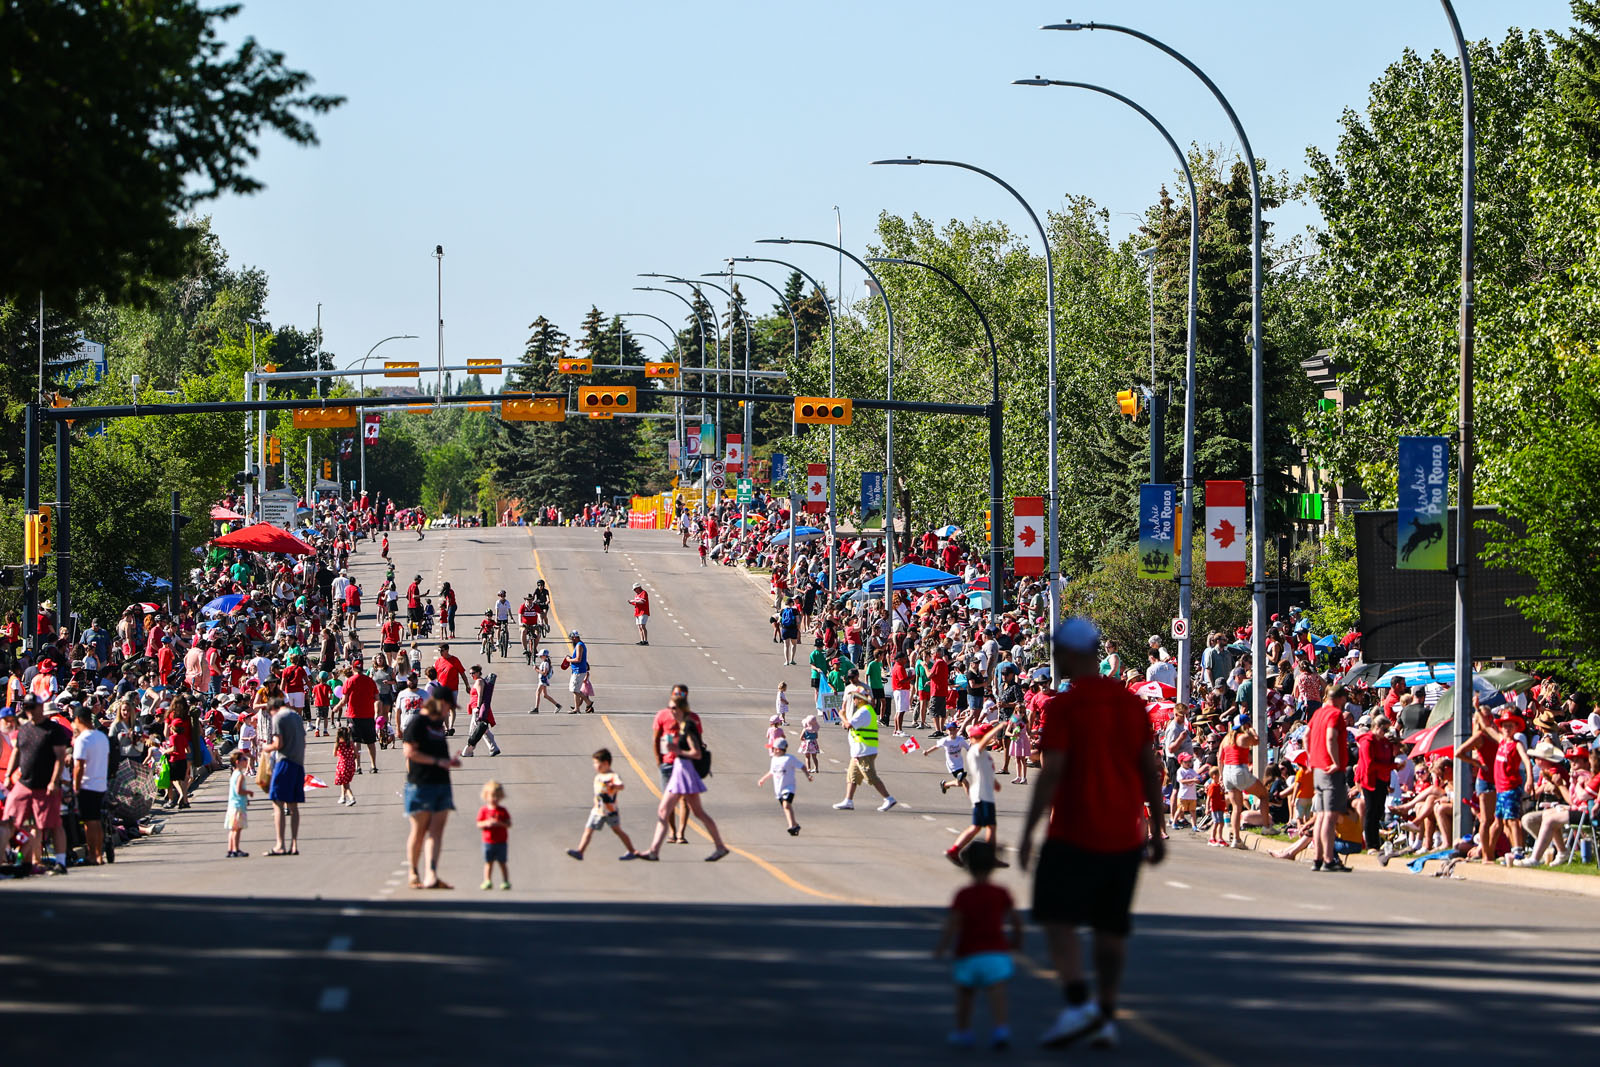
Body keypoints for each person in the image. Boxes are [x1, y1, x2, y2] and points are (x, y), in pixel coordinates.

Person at [1019, 617, 1164, 1050]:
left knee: (1056, 918)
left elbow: (1051, 773)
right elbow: (1149, 771)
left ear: (1072, 654)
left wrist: (1028, 832)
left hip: (1073, 831)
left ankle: (1078, 1000)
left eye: (1060, 650)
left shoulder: (1064, 707)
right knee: (1111, 930)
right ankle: (1104, 1012)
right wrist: (1156, 830)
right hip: (1124, 833)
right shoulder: (1131, 705)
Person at [934, 840, 1021, 1050]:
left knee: (965, 992)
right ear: (992, 866)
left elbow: (953, 924)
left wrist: (943, 947)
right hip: (996, 951)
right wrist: (1016, 942)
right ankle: (1001, 1029)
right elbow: (1016, 921)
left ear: (967, 867)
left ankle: (963, 1031)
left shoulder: (963, 895)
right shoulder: (1001, 892)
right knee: (997, 990)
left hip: (968, 952)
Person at [642, 695, 729, 862]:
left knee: (692, 812)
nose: (671, 711)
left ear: (682, 709)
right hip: (680, 771)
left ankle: (720, 846)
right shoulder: (682, 725)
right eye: (669, 708)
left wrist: (677, 750)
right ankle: (654, 851)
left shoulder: (688, 726)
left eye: (674, 708)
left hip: (685, 771)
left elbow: (696, 752)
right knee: (682, 811)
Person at [402, 697, 460, 889]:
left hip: (441, 784)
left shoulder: (437, 726)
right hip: (421, 784)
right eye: (448, 708)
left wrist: (448, 762)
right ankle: (413, 872)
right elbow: (410, 753)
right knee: (419, 832)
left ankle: (432, 875)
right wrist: (437, 762)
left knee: (436, 832)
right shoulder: (417, 723)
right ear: (440, 704)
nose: (448, 712)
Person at [945, 721, 1007, 866]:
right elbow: (983, 741)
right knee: (990, 825)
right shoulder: (975, 750)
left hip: (985, 793)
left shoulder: (984, 753)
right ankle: (989, 857)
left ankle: (954, 851)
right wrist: (998, 727)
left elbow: (985, 771)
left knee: (978, 826)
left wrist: (994, 782)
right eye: (979, 736)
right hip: (981, 794)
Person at [1307, 686, 1353, 873]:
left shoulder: (1318, 713)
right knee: (1329, 815)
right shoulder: (1335, 715)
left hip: (1317, 767)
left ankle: (1317, 858)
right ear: (1341, 698)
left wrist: (1311, 758)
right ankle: (1328, 858)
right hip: (1331, 770)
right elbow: (1331, 738)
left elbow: (1306, 735)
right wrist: (1335, 761)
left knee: (1320, 815)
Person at [567, 748, 641, 860]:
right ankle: (580, 851)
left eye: (597, 763)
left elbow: (621, 786)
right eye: (594, 763)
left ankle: (632, 851)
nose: (595, 766)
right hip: (597, 810)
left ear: (606, 763)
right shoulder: (598, 777)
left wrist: (614, 786)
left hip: (610, 810)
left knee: (617, 830)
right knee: (588, 830)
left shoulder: (613, 776)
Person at [832, 685, 897, 813]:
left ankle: (888, 798)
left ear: (860, 699)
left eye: (855, 698)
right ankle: (848, 800)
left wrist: (842, 715)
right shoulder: (866, 710)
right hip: (860, 749)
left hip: (864, 749)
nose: (854, 700)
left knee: (870, 775)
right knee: (852, 775)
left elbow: (848, 725)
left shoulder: (864, 711)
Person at [651, 683, 697, 844]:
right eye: (676, 693)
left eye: (682, 694)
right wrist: (658, 760)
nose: (679, 696)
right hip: (668, 763)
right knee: (668, 799)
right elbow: (656, 738)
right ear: (671, 694)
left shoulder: (693, 717)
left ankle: (681, 833)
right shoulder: (662, 715)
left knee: (685, 800)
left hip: (686, 764)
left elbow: (699, 742)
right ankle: (672, 830)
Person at [262, 698, 307, 856]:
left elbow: (277, 744)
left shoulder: (278, 717)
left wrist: (265, 748)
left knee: (278, 803)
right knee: (293, 806)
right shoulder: (296, 716)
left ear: (273, 708)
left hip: (284, 762)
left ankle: (280, 844)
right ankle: (294, 844)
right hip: (298, 762)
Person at [69, 706, 109, 865]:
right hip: (100, 783)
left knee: (89, 822)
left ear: (78, 719)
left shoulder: (83, 739)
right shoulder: (101, 737)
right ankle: (98, 854)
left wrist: (76, 787)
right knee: (96, 820)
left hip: (87, 784)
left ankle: (93, 855)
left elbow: (78, 766)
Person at [757, 736, 812, 836]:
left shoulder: (789, 758)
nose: (771, 750)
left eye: (772, 748)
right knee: (786, 807)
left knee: (786, 805)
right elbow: (771, 772)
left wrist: (808, 775)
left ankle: (791, 826)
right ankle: (795, 825)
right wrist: (763, 779)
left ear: (778, 749)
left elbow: (802, 766)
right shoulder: (774, 759)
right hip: (778, 789)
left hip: (789, 787)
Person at [333, 661, 380, 772]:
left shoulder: (349, 681)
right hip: (368, 714)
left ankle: (358, 766)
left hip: (353, 715)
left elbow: (344, 700)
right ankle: (373, 765)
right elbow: (377, 698)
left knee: (355, 741)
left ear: (353, 668)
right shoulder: (370, 681)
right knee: (370, 741)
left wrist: (336, 708)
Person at [477, 779, 513, 890]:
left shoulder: (503, 811)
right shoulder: (484, 810)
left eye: (497, 796)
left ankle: (505, 881)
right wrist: (486, 823)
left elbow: (509, 824)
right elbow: (479, 823)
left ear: (501, 797)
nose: (494, 799)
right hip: (488, 842)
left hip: (501, 842)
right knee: (488, 862)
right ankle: (487, 880)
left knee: (502, 862)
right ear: (486, 796)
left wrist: (499, 824)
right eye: (492, 796)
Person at [566, 631, 593, 713]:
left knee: (575, 689)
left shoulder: (579, 646)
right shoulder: (579, 645)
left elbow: (578, 659)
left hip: (579, 670)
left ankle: (587, 703)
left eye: (572, 638)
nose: (571, 640)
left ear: (575, 637)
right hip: (577, 670)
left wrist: (569, 660)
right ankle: (577, 708)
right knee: (576, 689)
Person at [333, 726, 358, 806]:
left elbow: (334, 754)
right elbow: (356, 754)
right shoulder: (350, 743)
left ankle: (351, 798)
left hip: (342, 765)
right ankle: (342, 797)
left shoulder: (338, 744)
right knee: (345, 782)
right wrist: (352, 756)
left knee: (345, 784)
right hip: (351, 765)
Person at [778, 597, 801, 665]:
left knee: (786, 645)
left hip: (785, 629)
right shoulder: (794, 611)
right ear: (791, 603)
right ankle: (792, 660)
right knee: (793, 644)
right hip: (793, 629)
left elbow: (779, 621)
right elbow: (798, 621)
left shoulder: (782, 611)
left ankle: (786, 661)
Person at [630, 582, 650, 646]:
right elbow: (637, 603)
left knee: (642, 626)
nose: (634, 591)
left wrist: (634, 601)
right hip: (637, 612)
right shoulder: (637, 595)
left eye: (635, 589)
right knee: (639, 627)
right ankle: (642, 640)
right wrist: (631, 602)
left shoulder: (644, 593)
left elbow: (642, 602)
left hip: (643, 612)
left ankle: (646, 640)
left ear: (638, 588)